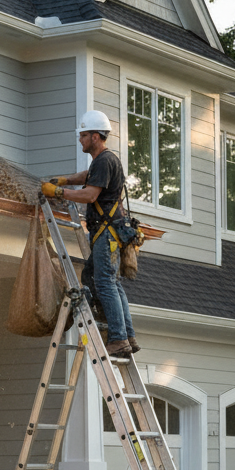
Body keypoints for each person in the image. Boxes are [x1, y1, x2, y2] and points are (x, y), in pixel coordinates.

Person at [40, 110, 137, 358]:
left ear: (95, 136)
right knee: (104, 280)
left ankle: (118, 339)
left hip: (107, 233)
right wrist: (65, 180)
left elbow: (90, 194)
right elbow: (88, 177)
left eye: (83, 135)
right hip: (111, 233)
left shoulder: (104, 160)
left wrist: (58, 193)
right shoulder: (103, 161)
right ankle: (127, 334)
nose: (80, 140)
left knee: (104, 283)